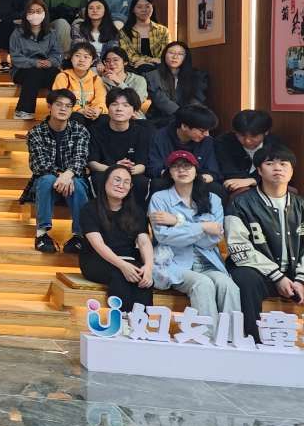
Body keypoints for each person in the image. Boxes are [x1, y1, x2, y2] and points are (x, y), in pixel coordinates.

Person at [149, 150, 237, 330]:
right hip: (173, 263)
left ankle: (231, 337)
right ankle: (207, 338)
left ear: (196, 170)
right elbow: (163, 236)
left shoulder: (213, 199)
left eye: (187, 166)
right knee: (202, 284)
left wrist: (177, 222)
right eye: (176, 167)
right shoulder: (160, 198)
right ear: (169, 172)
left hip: (208, 262)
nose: (182, 170)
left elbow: (212, 239)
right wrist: (203, 227)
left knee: (228, 286)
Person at [225, 146, 304, 342]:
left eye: (283, 164)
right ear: (259, 171)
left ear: (291, 171)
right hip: (259, 272)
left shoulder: (301, 205)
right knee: (245, 278)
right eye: (270, 163)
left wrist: (301, 279)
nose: (278, 168)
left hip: (295, 273)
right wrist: (277, 276)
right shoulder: (240, 203)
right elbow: (238, 248)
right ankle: (252, 340)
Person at [21, 89, 90, 254]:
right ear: (49, 107)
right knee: (47, 180)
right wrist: (62, 176)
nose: (63, 109)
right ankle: (41, 234)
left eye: (68, 106)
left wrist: (68, 175)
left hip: (74, 180)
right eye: (59, 104)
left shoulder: (80, 131)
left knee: (78, 184)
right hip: (46, 182)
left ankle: (79, 236)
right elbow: (39, 164)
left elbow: (80, 159)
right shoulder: (36, 133)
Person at [79, 165, 155, 311]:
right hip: (96, 260)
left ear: (131, 187)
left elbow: (144, 241)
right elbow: (98, 244)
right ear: (105, 182)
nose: (121, 185)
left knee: (143, 276)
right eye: (117, 180)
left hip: (128, 258)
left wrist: (148, 267)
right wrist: (122, 265)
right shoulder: (89, 209)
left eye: (126, 182)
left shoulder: (136, 211)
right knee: (120, 274)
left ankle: (140, 321)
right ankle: (121, 318)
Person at [88, 88, 154, 206]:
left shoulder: (142, 132)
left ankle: (136, 215)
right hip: (105, 171)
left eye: (125, 105)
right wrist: (115, 168)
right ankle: (103, 214)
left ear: (134, 111)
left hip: (131, 173)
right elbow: (93, 163)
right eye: (114, 104)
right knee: (98, 179)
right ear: (108, 108)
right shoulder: (96, 130)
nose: (119, 109)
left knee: (141, 182)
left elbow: (142, 165)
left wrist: (126, 171)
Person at [9, 0, 61, 121]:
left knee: (57, 74)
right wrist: (34, 63)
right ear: (26, 14)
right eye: (31, 11)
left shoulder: (52, 33)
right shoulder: (17, 34)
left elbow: (57, 54)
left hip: (46, 68)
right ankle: (24, 111)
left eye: (38, 11)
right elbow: (16, 58)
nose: (35, 14)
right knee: (34, 72)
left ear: (44, 13)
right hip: (23, 70)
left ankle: (58, 112)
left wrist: (50, 62)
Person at [147, 104, 221, 187]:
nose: (207, 134)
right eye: (202, 131)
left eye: (208, 130)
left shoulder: (207, 141)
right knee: (157, 184)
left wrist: (196, 180)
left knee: (216, 187)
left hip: (198, 182)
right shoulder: (159, 137)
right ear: (184, 126)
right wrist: (180, 178)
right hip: (169, 179)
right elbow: (153, 168)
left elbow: (213, 171)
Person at [216, 109, 280, 197]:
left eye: (254, 136)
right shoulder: (224, 142)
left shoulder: (274, 144)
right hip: (232, 188)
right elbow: (228, 171)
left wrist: (254, 180)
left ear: (266, 132)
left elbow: (278, 171)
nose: (247, 141)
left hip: (264, 185)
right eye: (241, 135)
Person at [145, 41, 209, 125]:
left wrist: (190, 115)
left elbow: (196, 99)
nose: (175, 57)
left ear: (186, 57)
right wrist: (181, 113)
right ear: (164, 55)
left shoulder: (196, 76)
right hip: (160, 119)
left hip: (188, 118)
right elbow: (160, 100)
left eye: (180, 54)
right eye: (171, 53)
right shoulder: (152, 75)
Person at [52, 42, 107, 123]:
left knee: (105, 119)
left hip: (91, 113)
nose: (81, 60)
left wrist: (98, 110)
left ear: (92, 61)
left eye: (86, 57)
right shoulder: (63, 76)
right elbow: (59, 99)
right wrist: (80, 110)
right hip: (70, 113)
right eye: (77, 56)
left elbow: (101, 99)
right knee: (77, 117)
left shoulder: (96, 79)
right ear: (71, 58)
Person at [119, 0, 169, 73]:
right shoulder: (124, 31)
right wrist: (150, 61)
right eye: (139, 7)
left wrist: (150, 63)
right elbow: (129, 55)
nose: (144, 10)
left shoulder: (163, 30)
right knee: (144, 68)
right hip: (134, 68)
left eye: (147, 6)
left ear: (153, 8)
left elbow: (166, 53)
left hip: (159, 67)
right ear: (133, 10)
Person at [100, 46, 150, 116]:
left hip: (133, 116)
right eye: (107, 61)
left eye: (115, 60)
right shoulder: (101, 81)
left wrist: (119, 82)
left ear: (125, 62)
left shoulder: (139, 80)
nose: (111, 63)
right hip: (108, 116)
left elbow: (136, 103)